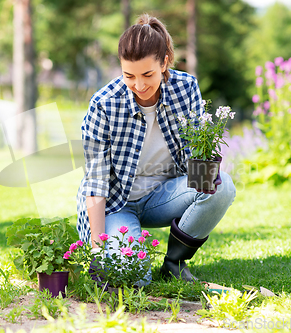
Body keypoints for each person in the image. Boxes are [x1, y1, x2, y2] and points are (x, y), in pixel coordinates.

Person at [76, 13, 236, 284]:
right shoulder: (104, 104)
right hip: (117, 204)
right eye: (129, 75)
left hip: (163, 195)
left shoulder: (185, 88)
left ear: (163, 63)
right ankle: (130, 259)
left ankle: (174, 262)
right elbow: (95, 181)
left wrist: (207, 189)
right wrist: (97, 249)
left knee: (220, 187)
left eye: (148, 74)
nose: (139, 85)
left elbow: (199, 149)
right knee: (134, 278)